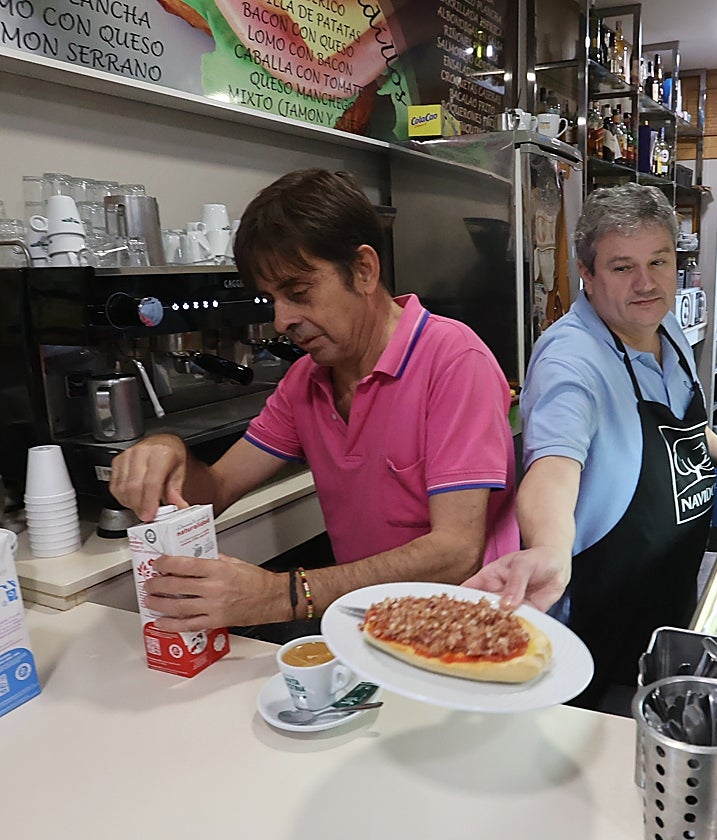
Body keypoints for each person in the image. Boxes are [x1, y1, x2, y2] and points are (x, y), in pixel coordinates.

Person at [109, 169, 519, 632]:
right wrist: (170, 453)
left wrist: (283, 595)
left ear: (363, 270)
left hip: (466, 629)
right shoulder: (306, 380)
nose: (281, 320)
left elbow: (456, 552)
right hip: (371, 627)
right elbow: (217, 490)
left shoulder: (454, 361)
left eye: (299, 293)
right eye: (272, 300)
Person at [465, 183, 717, 709]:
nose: (646, 283)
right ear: (587, 273)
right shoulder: (570, 361)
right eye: (623, 267)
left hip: (669, 595)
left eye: (659, 262)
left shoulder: (664, 327)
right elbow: (553, 469)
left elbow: (680, 423)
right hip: (599, 624)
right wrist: (549, 550)